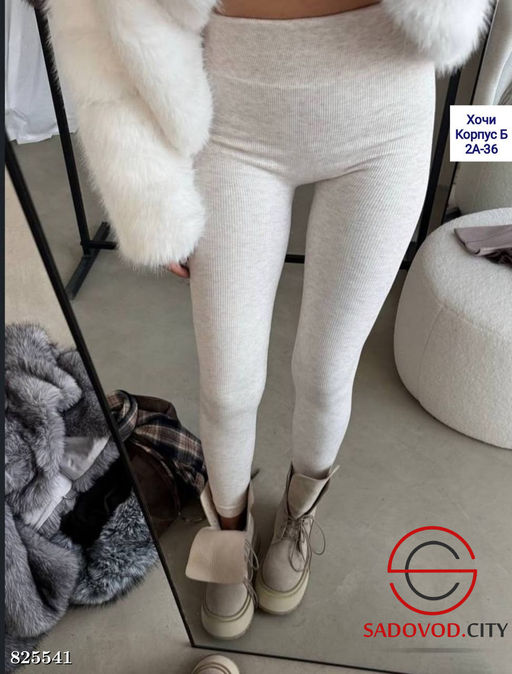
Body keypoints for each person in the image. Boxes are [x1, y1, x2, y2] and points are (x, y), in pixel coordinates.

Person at [45, 0, 494, 641]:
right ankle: (229, 530)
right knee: (227, 386)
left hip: (386, 113)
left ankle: (299, 515)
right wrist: (149, 187)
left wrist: (491, 127)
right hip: (233, 121)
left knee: (327, 369)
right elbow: (95, 18)